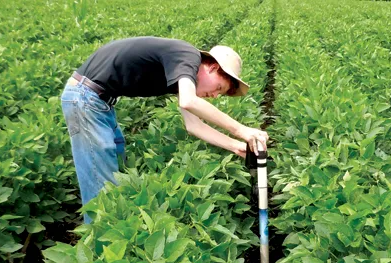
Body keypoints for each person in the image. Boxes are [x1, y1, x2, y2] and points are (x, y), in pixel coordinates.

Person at [60, 36, 269, 223]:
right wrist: (241, 130)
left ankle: (115, 234)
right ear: (213, 67)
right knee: (100, 184)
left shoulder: (181, 72)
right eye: (219, 88)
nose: (214, 96)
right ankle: (99, 249)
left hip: (99, 102)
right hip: (85, 97)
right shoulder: (187, 55)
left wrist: (235, 146)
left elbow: (193, 125)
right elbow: (189, 102)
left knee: (117, 170)